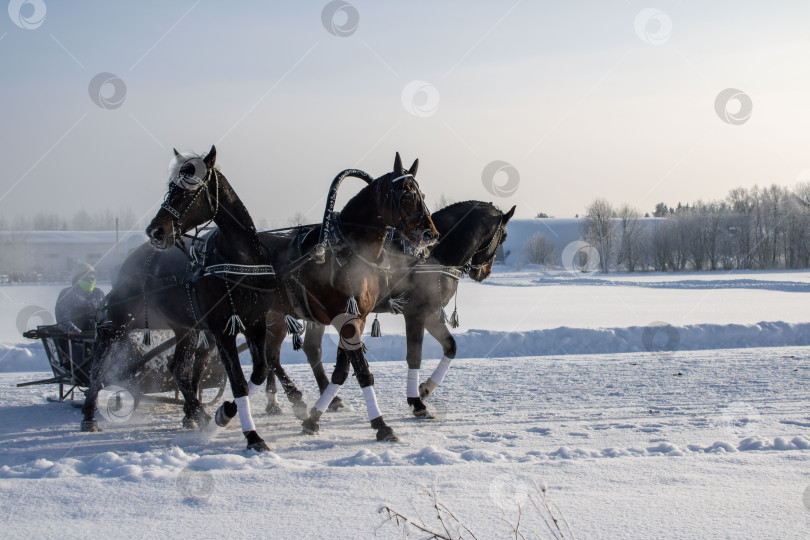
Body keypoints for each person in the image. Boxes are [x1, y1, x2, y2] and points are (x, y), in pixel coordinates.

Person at [55, 263, 106, 368]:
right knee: (81, 356)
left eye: (93, 276)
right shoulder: (67, 294)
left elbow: (106, 316)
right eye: (87, 276)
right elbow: (63, 320)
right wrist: (80, 335)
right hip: (74, 339)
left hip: (97, 336)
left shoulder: (98, 294)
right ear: (77, 278)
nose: (91, 279)